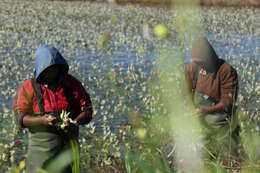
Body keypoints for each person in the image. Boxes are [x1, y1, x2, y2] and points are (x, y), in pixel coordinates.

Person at [13, 44, 93, 173]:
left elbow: (87, 110)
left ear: (60, 67)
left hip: (68, 150)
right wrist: (41, 121)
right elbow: (20, 118)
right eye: (47, 69)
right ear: (40, 68)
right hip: (41, 153)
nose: (51, 73)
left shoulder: (72, 84)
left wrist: (74, 122)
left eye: (54, 69)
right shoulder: (28, 87)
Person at [185, 37, 239, 162]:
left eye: (201, 61)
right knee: (201, 156)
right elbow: (187, 93)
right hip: (200, 118)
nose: (198, 65)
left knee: (231, 158)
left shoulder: (226, 71)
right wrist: (191, 109)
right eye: (196, 61)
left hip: (222, 120)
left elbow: (228, 102)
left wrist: (207, 110)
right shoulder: (192, 68)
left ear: (210, 57)